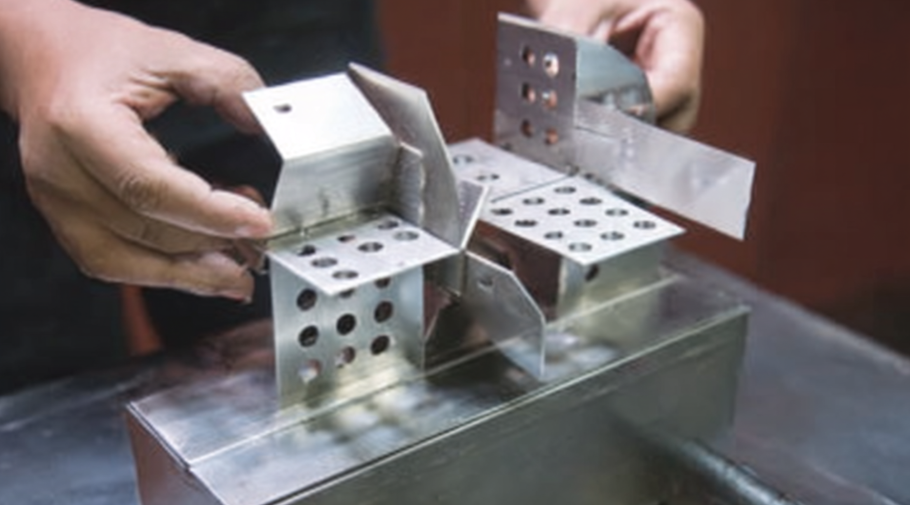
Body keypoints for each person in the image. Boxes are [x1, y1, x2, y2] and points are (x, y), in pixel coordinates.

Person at [0, 0, 704, 393]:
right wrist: (27, 40)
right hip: (41, 69)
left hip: (285, 39)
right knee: (46, 414)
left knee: (323, 369)